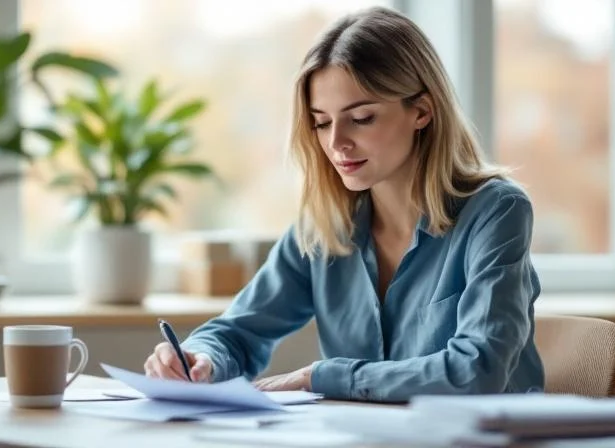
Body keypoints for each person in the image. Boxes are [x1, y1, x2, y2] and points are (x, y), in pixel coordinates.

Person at [143, 6, 544, 402]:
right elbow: (238, 332)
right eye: (321, 122)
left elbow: (477, 370)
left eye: (362, 117)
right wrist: (198, 358)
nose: (336, 143)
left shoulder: (496, 211)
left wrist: (321, 376)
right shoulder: (325, 225)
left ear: (422, 111)